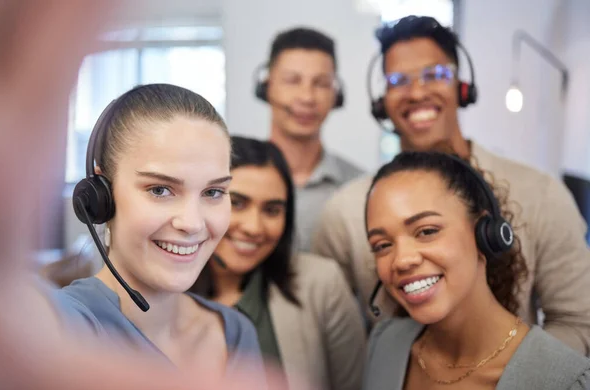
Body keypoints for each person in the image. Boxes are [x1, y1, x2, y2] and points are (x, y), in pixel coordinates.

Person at [0, 1, 289, 389]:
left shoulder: (236, 332)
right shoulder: (57, 328)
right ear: (98, 196)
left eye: (214, 191)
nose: (193, 223)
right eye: (161, 189)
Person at [311, 15, 590, 355]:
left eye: (435, 75)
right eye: (398, 81)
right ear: (381, 101)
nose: (416, 92)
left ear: (462, 86)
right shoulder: (344, 211)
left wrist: (505, 375)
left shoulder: (539, 193)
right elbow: (331, 330)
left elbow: (578, 321)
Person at [362, 151, 590, 390]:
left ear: (484, 234)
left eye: (427, 231)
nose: (401, 260)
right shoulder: (384, 346)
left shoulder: (568, 381)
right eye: (382, 245)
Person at [191, 136, 366, 390]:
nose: (254, 227)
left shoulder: (321, 285)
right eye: (237, 203)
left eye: (272, 210)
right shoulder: (153, 293)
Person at [255, 27, 363, 251]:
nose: (307, 97)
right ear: (267, 86)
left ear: (336, 94)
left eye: (321, 83)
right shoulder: (231, 179)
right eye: (292, 80)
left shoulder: (360, 188)